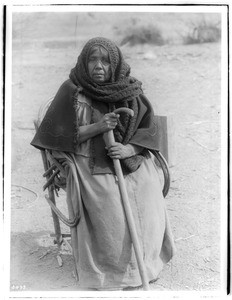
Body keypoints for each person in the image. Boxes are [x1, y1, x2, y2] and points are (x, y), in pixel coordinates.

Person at [31, 37, 175, 290]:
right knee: (110, 205)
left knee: (146, 191)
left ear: (115, 65)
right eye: (93, 60)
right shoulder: (71, 90)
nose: (99, 66)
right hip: (87, 159)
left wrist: (130, 148)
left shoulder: (128, 89)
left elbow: (148, 129)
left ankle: (148, 262)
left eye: (105, 61)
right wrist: (98, 127)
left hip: (126, 158)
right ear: (84, 62)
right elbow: (55, 136)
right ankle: (113, 273)